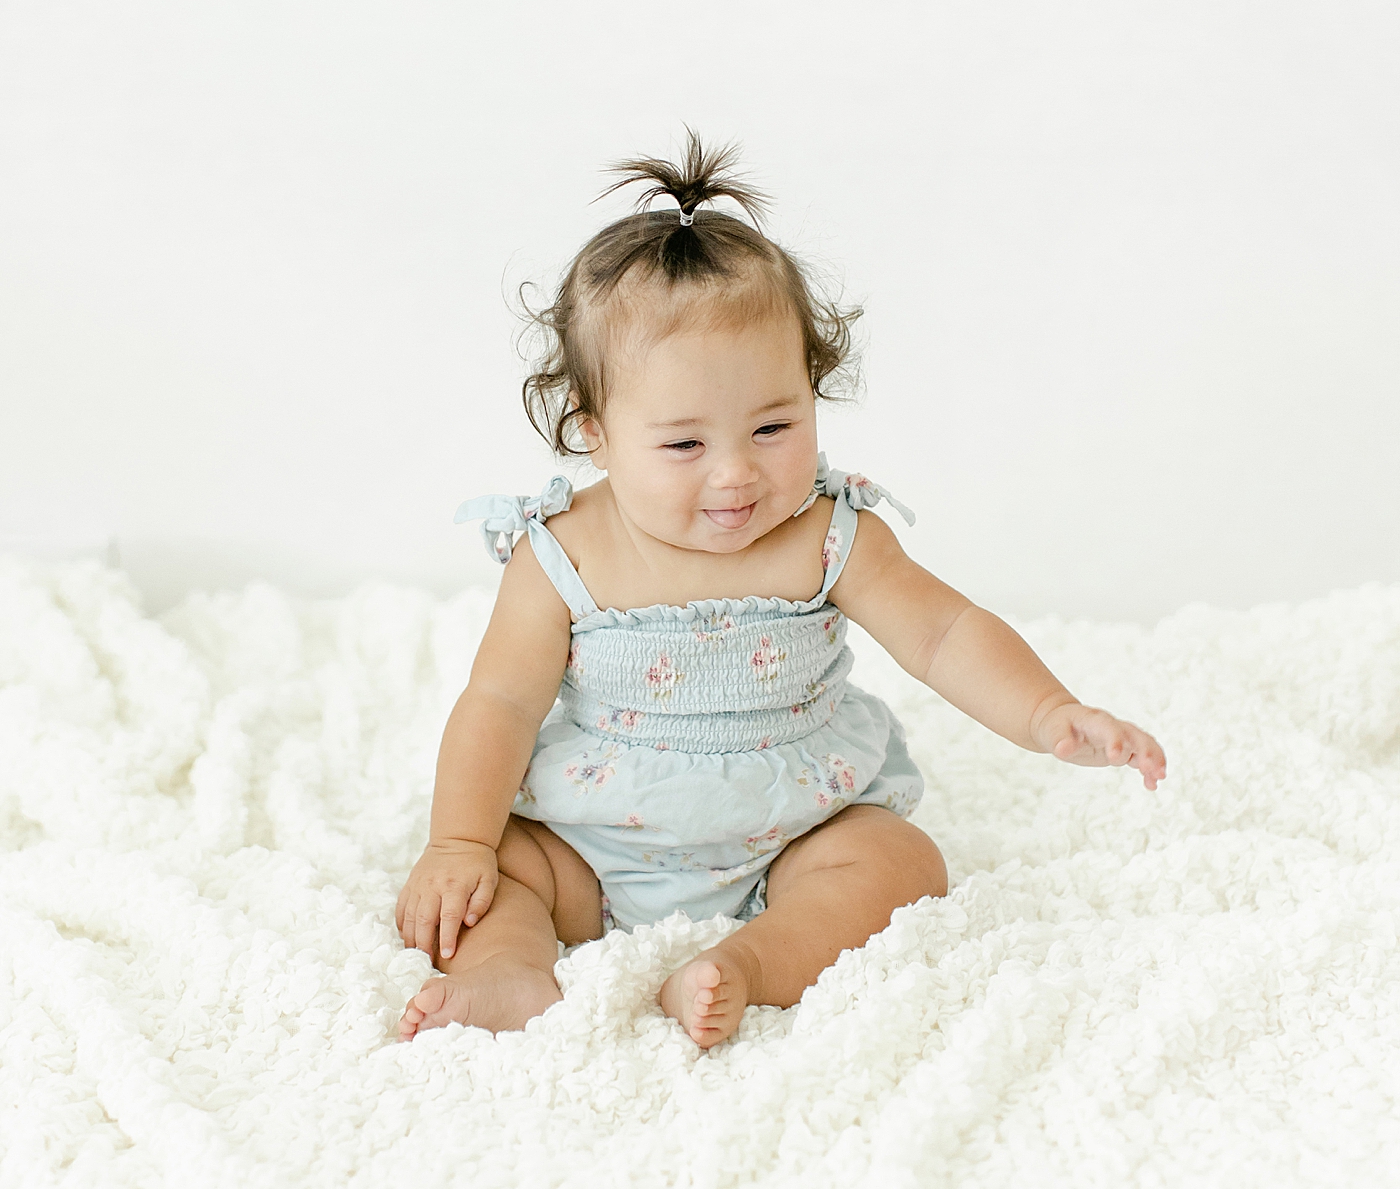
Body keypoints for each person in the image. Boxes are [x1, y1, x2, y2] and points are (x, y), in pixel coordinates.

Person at [397, 133, 1165, 1048]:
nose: (735, 477)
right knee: (498, 874)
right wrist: (459, 844)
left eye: (773, 426)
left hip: (790, 830)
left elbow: (943, 633)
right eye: (684, 445)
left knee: (898, 861)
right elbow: (500, 703)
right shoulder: (561, 552)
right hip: (595, 844)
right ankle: (508, 974)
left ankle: (751, 962)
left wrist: (1047, 712)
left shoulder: (830, 534)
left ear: (814, 392)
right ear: (593, 430)